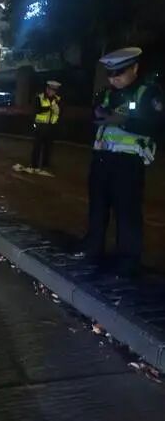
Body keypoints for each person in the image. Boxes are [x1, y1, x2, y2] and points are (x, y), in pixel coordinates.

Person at [77, 47, 163, 277]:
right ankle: (92, 247)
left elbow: (155, 126)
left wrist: (122, 121)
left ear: (135, 68)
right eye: (110, 74)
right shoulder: (108, 93)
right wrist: (98, 115)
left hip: (128, 163)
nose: (113, 79)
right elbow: (97, 116)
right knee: (98, 207)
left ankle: (127, 259)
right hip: (102, 158)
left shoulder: (148, 93)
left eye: (119, 73)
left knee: (127, 212)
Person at [13, 80, 62, 177]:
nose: (52, 92)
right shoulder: (40, 97)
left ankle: (45, 165)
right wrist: (49, 108)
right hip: (40, 126)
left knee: (48, 148)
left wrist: (58, 112)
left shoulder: (58, 99)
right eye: (51, 89)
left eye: (54, 90)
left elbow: (60, 112)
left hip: (51, 127)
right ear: (47, 89)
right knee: (37, 147)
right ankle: (34, 165)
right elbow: (36, 110)